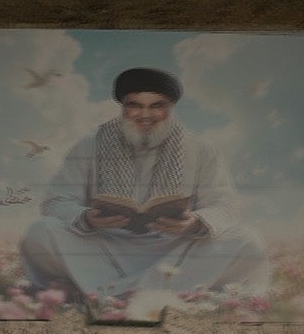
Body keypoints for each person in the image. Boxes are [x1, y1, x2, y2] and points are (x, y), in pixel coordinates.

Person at [20, 67, 268, 314]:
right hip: (104, 245)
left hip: (176, 247)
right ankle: (162, 295)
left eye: (157, 106)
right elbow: (57, 201)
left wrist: (195, 222)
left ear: (170, 107)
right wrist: (86, 218)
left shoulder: (200, 149)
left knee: (247, 240)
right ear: (122, 107)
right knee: (40, 233)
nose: (146, 115)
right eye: (135, 105)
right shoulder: (89, 145)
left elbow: (225, 205)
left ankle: (106, 294)